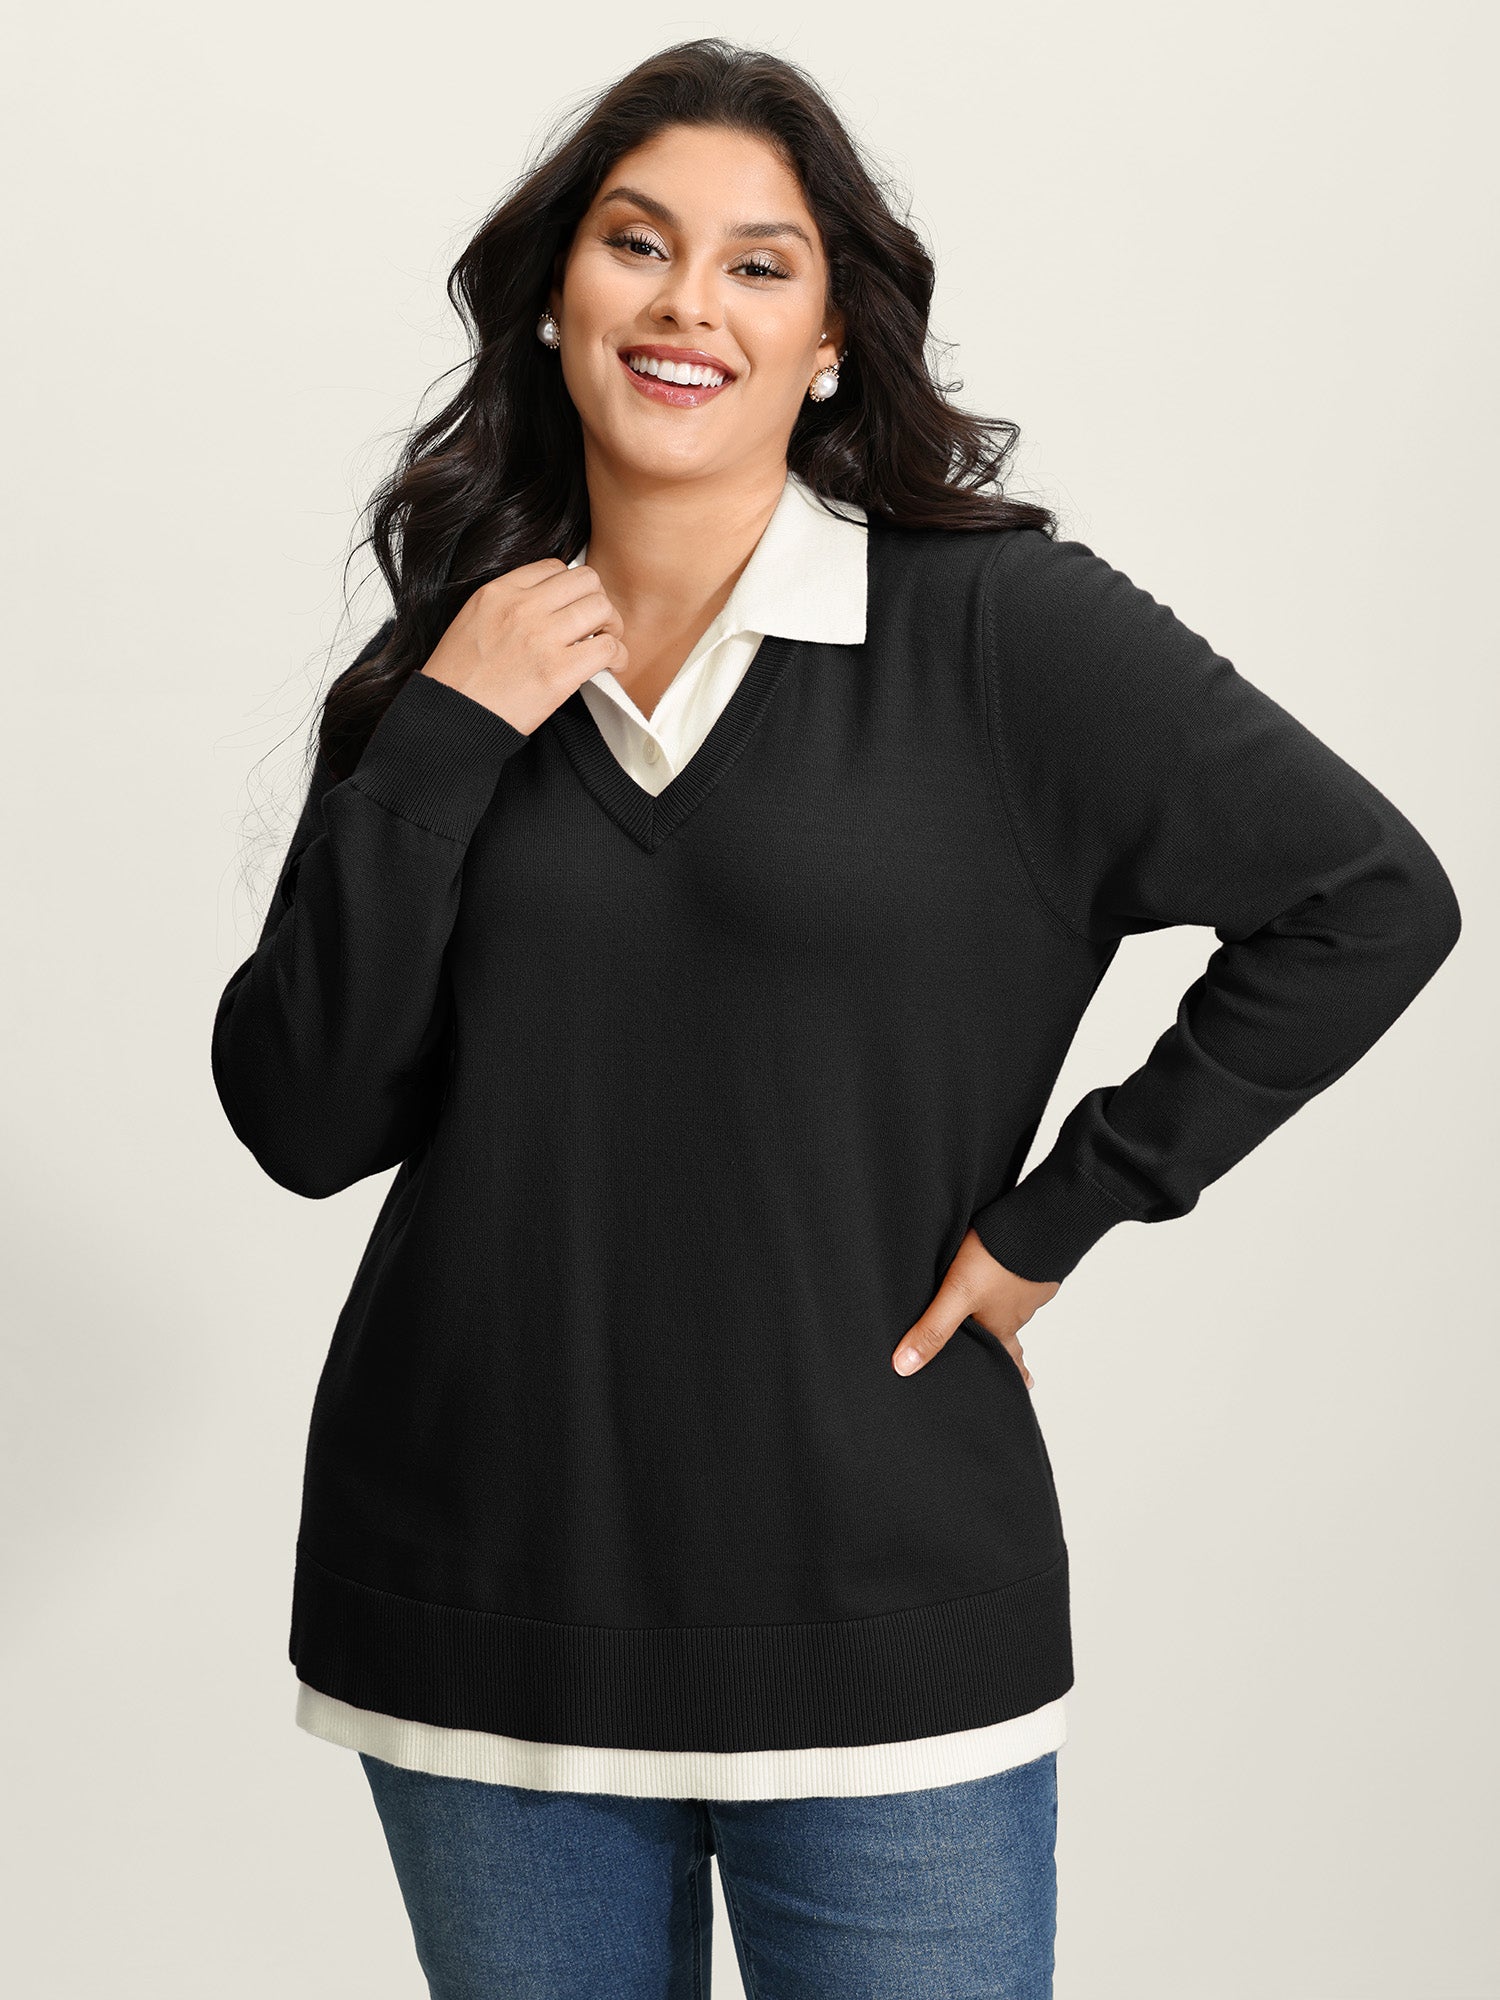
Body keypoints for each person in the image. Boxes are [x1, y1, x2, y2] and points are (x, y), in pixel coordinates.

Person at [209, 37, 1462, 2000]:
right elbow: (303, 1118)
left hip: (881, 1613)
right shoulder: (450, 662)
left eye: (759, 264)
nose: (687, 303)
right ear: (554, 296)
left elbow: (1367, 896)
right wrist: (445, 736)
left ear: (830, 342)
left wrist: (1069, 1211)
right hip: (478, 1602)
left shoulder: (998, 633)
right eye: (637, 244)